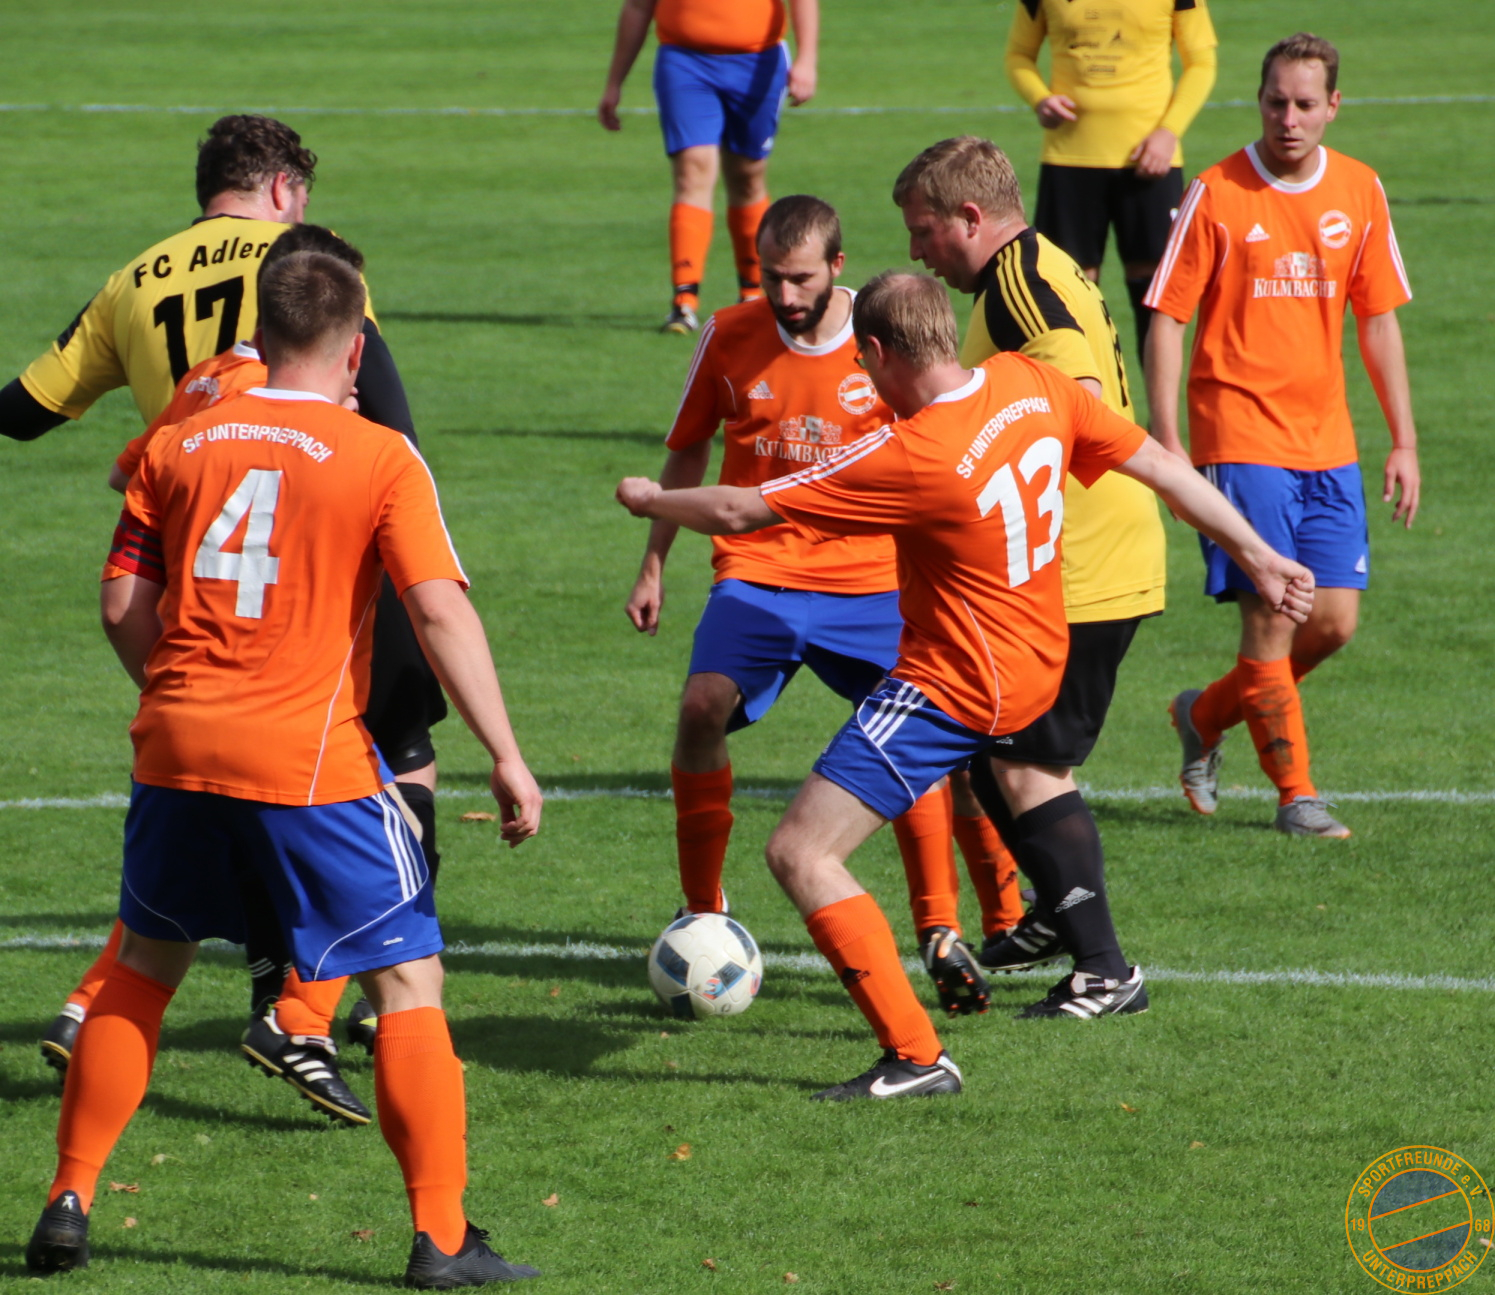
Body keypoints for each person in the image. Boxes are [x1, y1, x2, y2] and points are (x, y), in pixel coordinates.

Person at [617, 273, 1313, 1091]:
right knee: (1016, 777)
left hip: (957, 682)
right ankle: (1050, 946)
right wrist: (1259, 555)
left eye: (864, 365)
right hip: (1038, 660)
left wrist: (651, 499)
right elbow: (1159, 464)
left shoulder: (910, 453)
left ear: (876, 352)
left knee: (800, 851)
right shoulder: (1031, 382)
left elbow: (741, 512)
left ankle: (916, 1054)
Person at [23, 250, 543, 1288]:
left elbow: (121, 603)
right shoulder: (380, 455)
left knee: (142, 969)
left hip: (174, 747)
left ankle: (67, 1199)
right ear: (355, 349)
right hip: (309, 762)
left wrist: (177, 696)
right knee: (407, 978)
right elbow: (438, 610)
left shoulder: (179, 439)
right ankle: (442, 1237)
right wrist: (506, 753)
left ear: (258, 336)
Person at [17, 118, 448, 1115]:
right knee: (399, 760)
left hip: (194, 570)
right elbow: (389, 429)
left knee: (204, 803)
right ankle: (306, 1012)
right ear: (286, 189)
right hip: (318, 562)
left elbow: (27, 410)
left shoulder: (135, 280)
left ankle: (94, 1004)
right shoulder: (317, 272)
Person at [626, 194, 990, 1016]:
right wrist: (653, 564)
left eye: (800, 279)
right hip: (756, 571)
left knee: (910, 740)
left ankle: (938, 928)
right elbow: (686, 451)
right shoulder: (728, 335)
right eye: (769, 277)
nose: (784, 296)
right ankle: (702, 909)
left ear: (836, 267)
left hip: (869, 578)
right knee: (699, 709)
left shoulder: (884, 337)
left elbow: (945, 448)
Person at [893, 135, 1167, 976]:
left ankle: (1103, 970)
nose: (918, 251)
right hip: (1072, 558)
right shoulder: (1034, 265)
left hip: (1080, 564)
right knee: (983, 752)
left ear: (969, 217)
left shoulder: (1020, 288)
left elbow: (1077, 404)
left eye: (924, 230)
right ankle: (1055, 911)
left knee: (1024, 766)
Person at [1144, 33, 1419, 838]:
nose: (1287, 119)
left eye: (1303, 104)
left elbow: (1377, 321)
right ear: (1257, 100)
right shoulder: (1215, 191)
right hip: (1236, 433)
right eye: (1274, 102)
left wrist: (1402, 440)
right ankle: (1295, 794)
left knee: (1331, 622)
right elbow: (1167, 319)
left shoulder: (1359, 190)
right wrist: (1166, 442)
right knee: (1273, 614)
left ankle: (1203, 714)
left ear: (1332, 105)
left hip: (1326, 440)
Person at [1003, 0, 1217, 357]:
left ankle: (1158, 397)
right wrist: (1039, 99)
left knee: (1156, 296)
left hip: (1152, 158)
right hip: (1069, 158)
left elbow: (1202, 62)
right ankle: (1081, 391)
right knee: (1066, 289)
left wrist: (1169, 132)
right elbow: (1018, 55)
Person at [598, 0, 819, 333]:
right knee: (692, 171)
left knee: (747, 177)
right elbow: (638, 7)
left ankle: (752, 294)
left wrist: (807, 59)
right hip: (685, 62)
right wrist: (615, 82)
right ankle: (684, 301)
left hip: (758, 63)